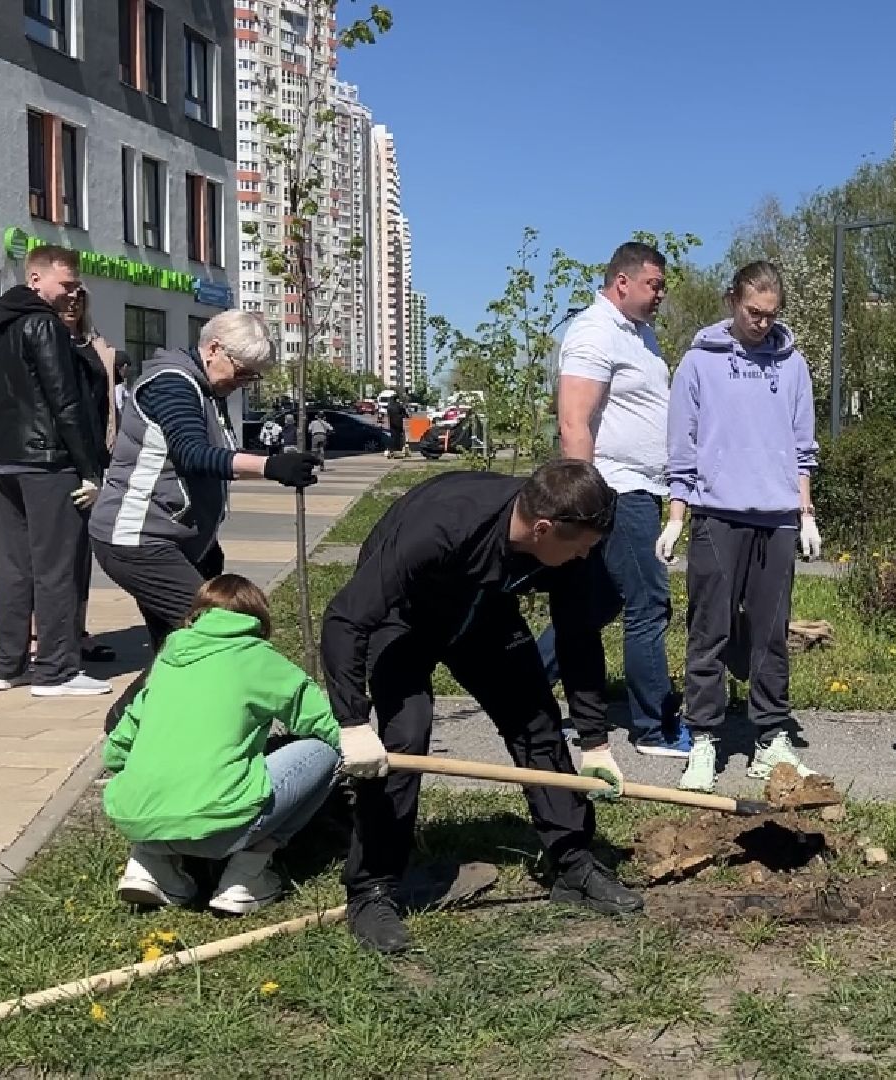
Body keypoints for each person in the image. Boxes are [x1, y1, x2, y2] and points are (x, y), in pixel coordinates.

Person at [321, 460, 642, 954]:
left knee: (536, 721)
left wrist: (595, 743)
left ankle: (573, 863)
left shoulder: (569, 541)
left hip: (482, 610)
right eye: (581, 545)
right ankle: (372, 889)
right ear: (543, 529)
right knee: (405, 736)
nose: (587, 555)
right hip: (403, 614)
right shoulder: (442, 527)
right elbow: (345, 618)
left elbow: (578, 636)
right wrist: (352, 721)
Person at [88, 310, 319, 733]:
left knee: (175, 647)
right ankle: (123, 727)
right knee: (216, 632)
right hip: (136, 538)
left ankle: (144, 737)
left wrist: (207, 547)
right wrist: (272, 467)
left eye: (252, 378)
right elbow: (193, 454)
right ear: (214, 349)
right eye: (243, 372)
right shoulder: (172, 384)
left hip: (170, 540)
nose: (243, 384)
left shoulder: (203, 389)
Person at [663, 261, 821, 793]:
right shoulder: (698, 364)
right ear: (732, 300)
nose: (761, 323)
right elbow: (682, 446)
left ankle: (770, 738)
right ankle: (703, 738)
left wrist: (806, 513)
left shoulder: (792, 363)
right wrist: (676, 515)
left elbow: (803, 448)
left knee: (770, 634)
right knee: (710, 630)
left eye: (771, 315)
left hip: (777, 518)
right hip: (717, 514)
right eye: (753, 312)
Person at [538, 241, 690, 774]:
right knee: (649, 600)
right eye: (654, 284)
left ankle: (525, 686)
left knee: (595, 604)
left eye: (663, 285)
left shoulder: (641, 336)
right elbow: (574, 420)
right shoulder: (594, 332)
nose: (661, 294)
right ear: (621, 281)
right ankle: (654, 726)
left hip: (641, 486)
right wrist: (583, 502)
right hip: (614, 490)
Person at [104, 574, 340, 915]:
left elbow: (115, 751)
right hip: (223, 827)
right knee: (327, 749)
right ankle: (246, 876)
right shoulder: (257, 658)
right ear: (258, 620)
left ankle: (150, 864)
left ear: (196, 615)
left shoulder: (167, 662)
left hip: (139, 821)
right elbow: (327, 723)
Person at [0, 245, 111, 697]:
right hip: (49, 461)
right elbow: (65, 402)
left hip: (6, 461)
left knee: (13, 567)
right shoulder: (42, 325)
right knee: (58, 567)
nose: (73, 293)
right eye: (66, 284)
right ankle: (56, 670)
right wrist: (91, 469)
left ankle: (6, 664)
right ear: (36, 279)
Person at [61, 286, 125, 665]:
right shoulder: (47, 342)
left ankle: (76, 630)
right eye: (68, 300)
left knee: (79, 554)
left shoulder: (91, 344)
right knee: (56, 557)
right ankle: (46, 634)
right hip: (62, 459)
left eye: (80, 301)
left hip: (95, 453)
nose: (73, 307)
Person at [382, 392, 408, 459]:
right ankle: (398, 449)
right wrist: (403, 415)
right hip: (399, 423)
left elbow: (388, 414)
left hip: (392, 424)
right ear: (396, 399)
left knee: (393, 436)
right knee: (399, 436)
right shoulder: (399, 405)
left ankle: (392, 449)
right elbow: (405, 414)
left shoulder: (389, 406)